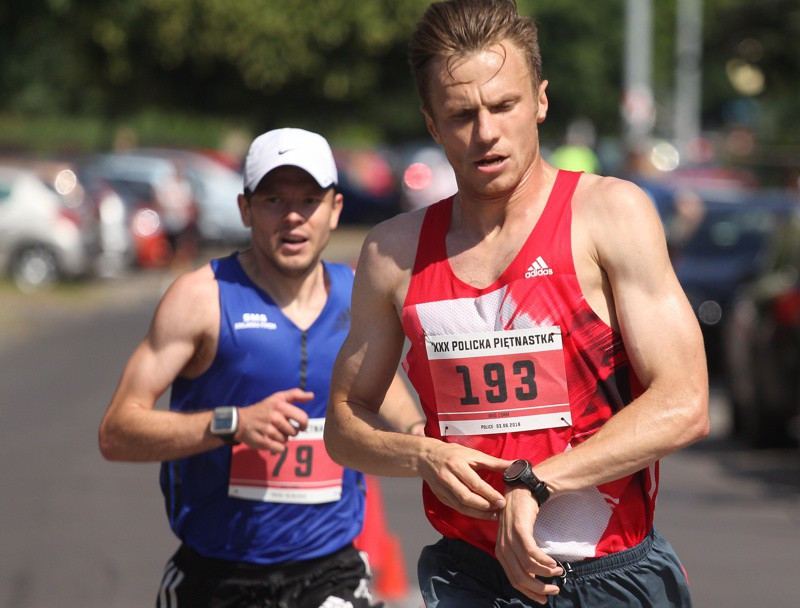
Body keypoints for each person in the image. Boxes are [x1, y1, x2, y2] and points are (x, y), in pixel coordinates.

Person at [324, 1, 709, 607]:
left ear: (541, 100)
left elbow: (685, 403)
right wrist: (421, 452)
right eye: (461, 114)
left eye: (504, 105)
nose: (486, 133)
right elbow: (345, 425)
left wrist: (537, 483)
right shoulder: (393, 253)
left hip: (609, 574)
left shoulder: (609, 215)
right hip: (471, 578)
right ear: (432, 123)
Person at [99, 127, 422, 608]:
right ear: (245, 208)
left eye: (309, 200)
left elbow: (373, 377)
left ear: (335, 209)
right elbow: (117, 432)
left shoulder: (356, 292)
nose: (293, 217)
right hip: (218, 575)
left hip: (329, 568)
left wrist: (417, 431)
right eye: (274, 199)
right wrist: (233, 423)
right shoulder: (201, 298)